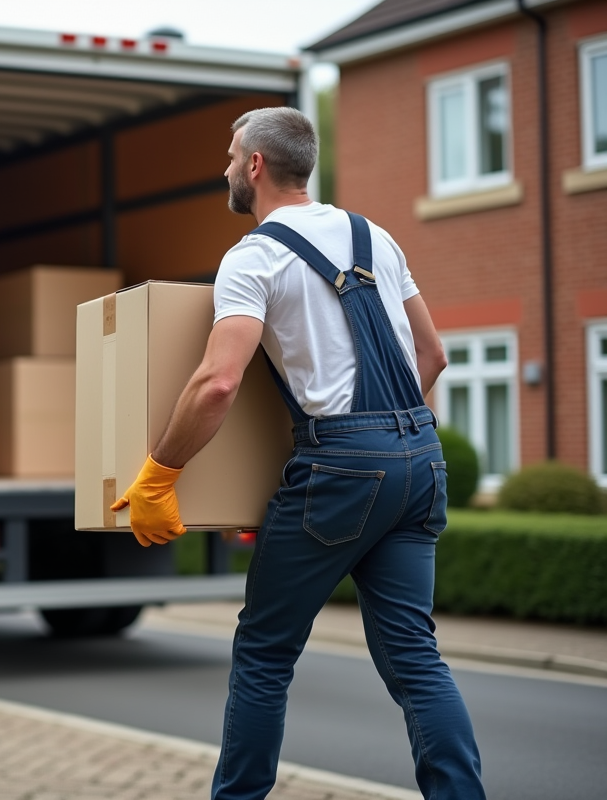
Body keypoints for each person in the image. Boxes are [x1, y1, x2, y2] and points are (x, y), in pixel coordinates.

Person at [110, 107, 486, 800]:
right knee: (415, 659)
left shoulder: (254, 257)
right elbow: (431, 355)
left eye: (230, 156)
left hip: (341, 469)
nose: (225, 168)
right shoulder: (376, 237)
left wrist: (160, 474)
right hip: (421, 458)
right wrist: (390, 436)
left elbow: (219, 380)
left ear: (254, 165)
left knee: (264, 655)